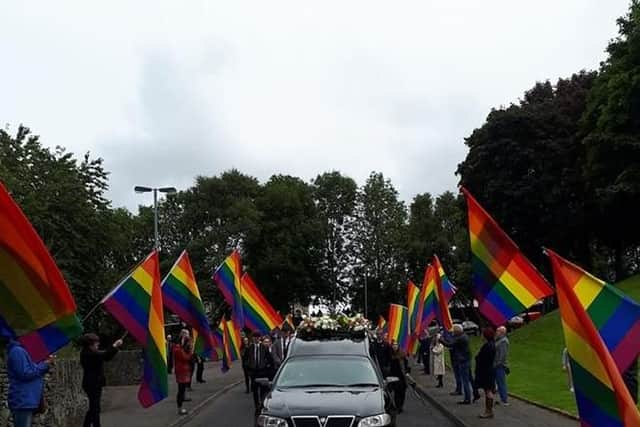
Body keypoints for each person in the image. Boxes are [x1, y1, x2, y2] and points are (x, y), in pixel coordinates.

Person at [6, 338, 52, 427]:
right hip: (23, 401)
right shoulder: (17, 351)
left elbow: (32, 369)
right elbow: (25, 374)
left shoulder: (23, 350)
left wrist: (44, 362)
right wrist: (45, 365)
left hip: (28, 400)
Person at [80, 333, 123, 427]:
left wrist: (115, 347)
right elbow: (105, 354)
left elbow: (106, 357)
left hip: (94, 383)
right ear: (90, 344)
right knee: (95, 408)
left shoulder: (90, 352)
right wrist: (115, 345)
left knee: (95, 408)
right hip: (92, 384)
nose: (98, 344)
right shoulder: (88, 354)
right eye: (96, 343)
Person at [442, 324, 472, 404]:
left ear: (457, 332)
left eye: (454, 332)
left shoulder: (460, 338)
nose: (453, 333)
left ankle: (467, 398)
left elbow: (450, 344)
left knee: (465, 380)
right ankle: (470, 394)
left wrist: (441, 340)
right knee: (467, 378)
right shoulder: (464, 336)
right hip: (465, 359)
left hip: (462, 360)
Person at [475, 327, 497, 419]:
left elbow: (480, 358)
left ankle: (489, 411)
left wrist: (478, 355)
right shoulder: (491, 345)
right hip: (489, 370)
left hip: (485, 371)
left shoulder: (487, 346)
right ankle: (488, 410)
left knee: (488, 391)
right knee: (488, 390)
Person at [173, 330, 194, 415]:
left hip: (183, 370)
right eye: (185, 337)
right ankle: (179, 408)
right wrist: (190, 354)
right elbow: (185, 358)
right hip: (181, 370)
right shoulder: (177, 348)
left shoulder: (180, 348)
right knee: (181, 390)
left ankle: (180, 407)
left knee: (182, 389)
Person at [389, 341, 409, 413]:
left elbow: (406, 365)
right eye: (393, 345)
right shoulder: (390, 355)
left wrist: (407, 372)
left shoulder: (402, 354)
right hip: (394, 377)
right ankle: (398, 407)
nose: (394, 346)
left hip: (402, 376)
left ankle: (401, 405)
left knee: (402, 393)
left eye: (396, 345)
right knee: (396, 392)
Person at [494, 326, 510, 406]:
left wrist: (497, 364)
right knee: (498, 383)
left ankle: (504, 400)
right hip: (497, 364)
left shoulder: (503, 341)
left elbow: (502, 355)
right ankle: (502, 399)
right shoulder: (498, 340)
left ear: (502, 333)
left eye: (497, 331)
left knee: (501, 383)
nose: (496, 333)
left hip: (500, 366)